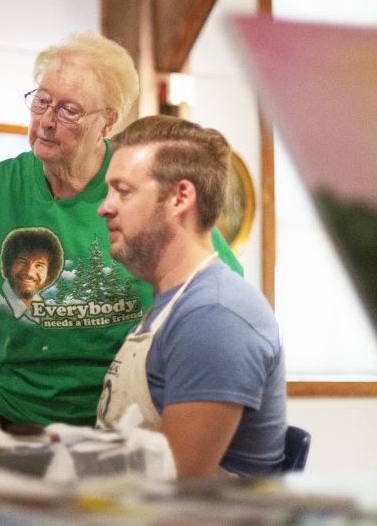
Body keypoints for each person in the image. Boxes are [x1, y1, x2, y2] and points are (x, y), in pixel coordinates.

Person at [0, 31, 243, 429]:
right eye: (42, 101)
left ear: (108, 121)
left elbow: (220, 290)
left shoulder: (141, 186)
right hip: (17, 421)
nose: (46, 122)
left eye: (69, 110)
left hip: (127, 423)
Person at [95, 115, 287, 478]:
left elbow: (179, 498)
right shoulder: (170, 303)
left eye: (123, 190)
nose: (105, 207)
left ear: (180, 197)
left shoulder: (215, 316)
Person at [0, 227, 64, 316]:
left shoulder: (42, 307)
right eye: (22, 262)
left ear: (49, 273)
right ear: (9, 264)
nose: (29, 272)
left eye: (39, 265)